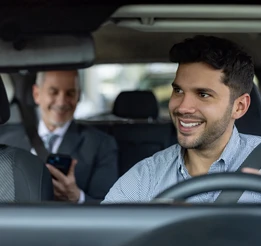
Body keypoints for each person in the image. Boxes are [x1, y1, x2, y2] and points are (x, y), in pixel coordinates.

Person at [102, 35, 261, 203]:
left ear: (239, 106)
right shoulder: (146, 177)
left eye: (203, 94)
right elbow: (103, 227)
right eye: (178, 91)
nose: (183, 107)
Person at [0, 70, 119, 203]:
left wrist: (78, 197)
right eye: (53, 92)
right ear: (37, 94)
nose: (62, 102)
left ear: (78, 96)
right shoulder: (6, 141)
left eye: (70, 93)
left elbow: (108, 206)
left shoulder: (100, 144)